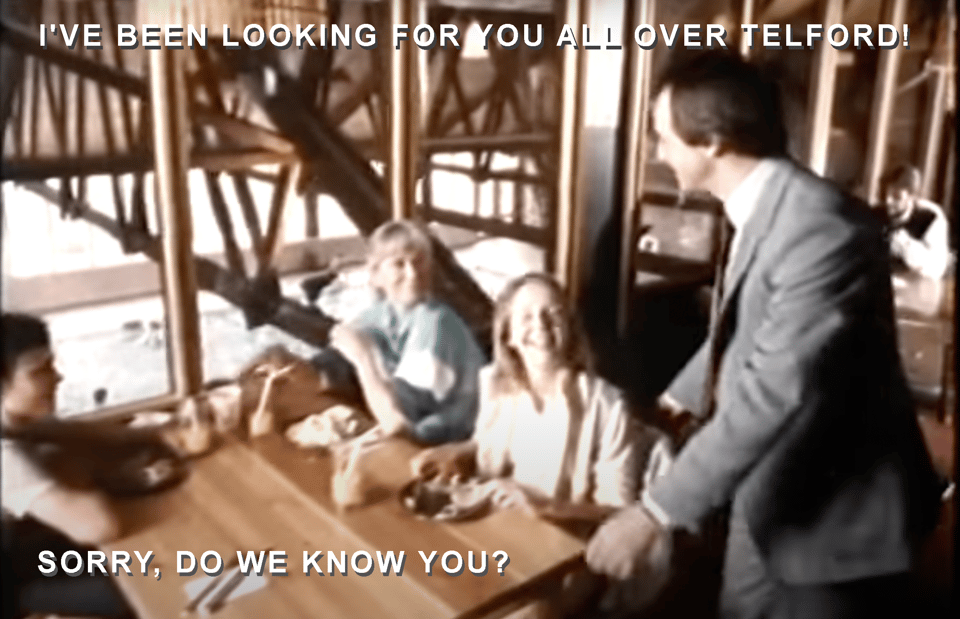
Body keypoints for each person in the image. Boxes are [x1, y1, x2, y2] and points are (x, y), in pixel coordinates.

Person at [586, 51, 942, 619]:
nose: (657, 153)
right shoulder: (763, 204)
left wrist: (653, 512)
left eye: (663, 138)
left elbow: (776, 389)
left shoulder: (820, 227)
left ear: (712, 143)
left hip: (834, 525)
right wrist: (674, 399)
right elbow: (749, 328)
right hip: (764, 492)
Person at [412, 273, 672, 616]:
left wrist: (547, 507)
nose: (541, 325)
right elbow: (490, 447)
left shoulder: (605, 405)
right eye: (526, 316)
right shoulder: (497, 385)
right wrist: (457, 451)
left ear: (569, 329)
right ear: (508, 334)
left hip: (566, 558)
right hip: (496, 535)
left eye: (553, 313)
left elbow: (620, 513)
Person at [1, 312, 133, 618]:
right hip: (15, 584)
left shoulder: (16, 421)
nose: (57, 378)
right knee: (154, 582)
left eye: (51, 365)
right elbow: (98, 526)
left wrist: (169, 430)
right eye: (39, 371)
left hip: (28, 548)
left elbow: (89, 434)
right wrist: (79, 471)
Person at [325, 220, 487, 444]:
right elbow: (339, 347)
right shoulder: (377, 316)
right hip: (404, 431)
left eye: (419, 262)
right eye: (399, 264)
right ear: (375, 274)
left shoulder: (436, 320)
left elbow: (401, 418)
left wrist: (365, 360)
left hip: (444, 440)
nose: (412, 274)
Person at [881, 163, 952, 279]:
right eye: (884, 194)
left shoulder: (931, 218)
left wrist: (905, 246)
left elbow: (937, 268)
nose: (888, 201)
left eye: (896, 196)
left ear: (912, 196)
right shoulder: (877, 213)